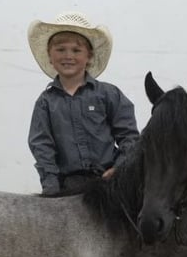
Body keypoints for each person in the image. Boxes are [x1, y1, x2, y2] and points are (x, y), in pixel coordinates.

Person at [27, 11, 140, 196]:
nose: (68, 56)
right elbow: (42, 147)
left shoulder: (109, 94)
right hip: (68, 187)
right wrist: (51, 189)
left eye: (76, 50)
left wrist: (119, 169)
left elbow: (129, 137)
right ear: (50, 56)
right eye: (60, 49)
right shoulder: (45, 103)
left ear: (89, 56)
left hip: (109, 183)